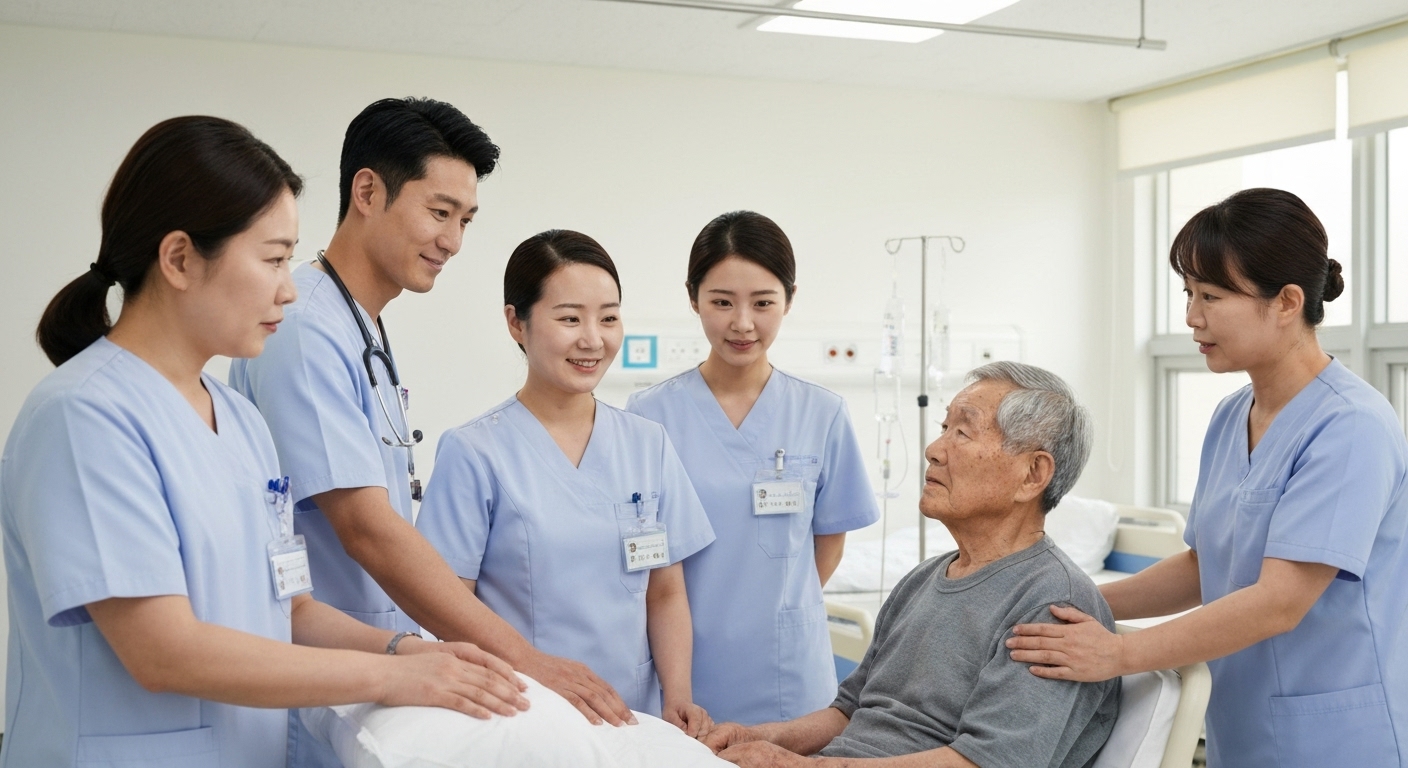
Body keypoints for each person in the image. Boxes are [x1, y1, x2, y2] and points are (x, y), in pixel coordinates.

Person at [0, 116, 528, 768]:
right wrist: (389, 678)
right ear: (180, 259)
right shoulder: (83, 417)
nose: (287, 287)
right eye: (274, 259)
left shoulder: (238, 419)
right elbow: (162, 650)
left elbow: (292, 607)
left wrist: (406, 651)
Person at [229, 99, 635, 768]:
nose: (453, 240)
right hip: (326, 682)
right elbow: (365, 526)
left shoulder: (365, 333)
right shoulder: (306, 330)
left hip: (376, 671)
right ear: (368, 191)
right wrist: (524, 659)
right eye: (439, 212)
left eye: (465, 220)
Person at [1007, 188, 1408, 768]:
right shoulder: (1231, 416)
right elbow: (1205, 566)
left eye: (1213, 296)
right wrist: (1075, 603)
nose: (1192, 316)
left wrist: (1119, 652)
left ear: (1288, 301)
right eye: (1189, 293)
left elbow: (1278, 603)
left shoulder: (1351, 427)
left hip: (1338, 736)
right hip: (1240, 726)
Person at [702, 362, 1119, 767]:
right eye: (944, 428)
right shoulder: (922, 580)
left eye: (963, 431)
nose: (934, 450)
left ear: (1032, 474)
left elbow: (989, 762)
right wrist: (759, 737)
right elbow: (849, 710)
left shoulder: (1052, 605)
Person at [415, 229, 717, 734]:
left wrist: (678, 695)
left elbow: (664, 593)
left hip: (633, 718)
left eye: (609, 317)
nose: (592, 339)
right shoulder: (474, 452)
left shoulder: (649, 444)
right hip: (524, 719)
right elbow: (447, 608)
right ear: (517, 322)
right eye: (569, 318)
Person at [626, 210, 881, 724]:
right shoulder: (648, 415)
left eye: (763, 303)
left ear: (789, 299)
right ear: (693, 297)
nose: (742, 323)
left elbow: (829, 538)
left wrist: (783, 609)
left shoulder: (821, 413)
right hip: (683, 666)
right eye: (722, 302)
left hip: (789, 670)